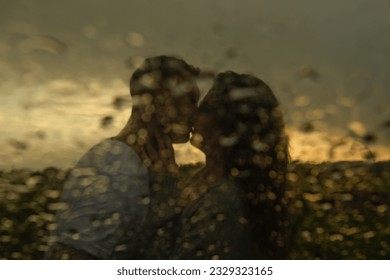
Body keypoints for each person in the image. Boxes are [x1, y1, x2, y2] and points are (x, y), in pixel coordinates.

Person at [46, 55, 200, 259]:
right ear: (160, 98)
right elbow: (70, 257)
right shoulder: (117, 164)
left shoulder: (145, 164)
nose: (195, 113)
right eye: (189, 100)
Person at [173, 71, 289, 259]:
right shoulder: (206, 177)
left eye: (205, 108)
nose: (195, 114)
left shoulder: (223, 202)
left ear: (229, 122)